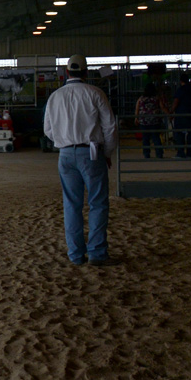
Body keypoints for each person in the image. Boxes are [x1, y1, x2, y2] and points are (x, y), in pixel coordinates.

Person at [42, 54, 119, 266]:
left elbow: (48, 130)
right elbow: (110, 128)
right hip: (92, 152)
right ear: (86, 72)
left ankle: (76, 255)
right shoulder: (95, 93)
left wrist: (64, 140)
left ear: (67, 72)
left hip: (65, 155)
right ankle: (97, 253)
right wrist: (107, 153)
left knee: (71, 205)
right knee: (97, 203)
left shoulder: (55, 97)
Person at [171, 75, 191, 158]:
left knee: (180, 133)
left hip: (181, 114)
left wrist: (171, 111)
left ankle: (181, 153)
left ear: (181, 81)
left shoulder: (180, 90)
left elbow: (176, 101)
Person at [134, 83, 165, 159]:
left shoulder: (141, 98)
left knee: (145, 138)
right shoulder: (156, 98)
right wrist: (169, 113)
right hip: (155, 120)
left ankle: (146, 154)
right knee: (156, 137)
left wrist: (136, 118)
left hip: (144, 121)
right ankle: (159, 154)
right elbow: (162, 107)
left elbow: (137, 108)